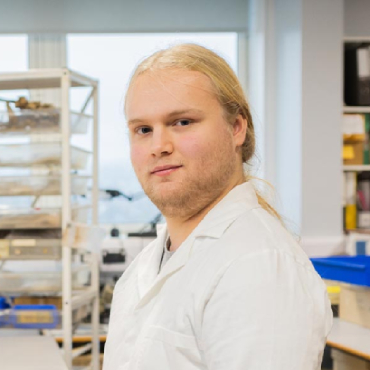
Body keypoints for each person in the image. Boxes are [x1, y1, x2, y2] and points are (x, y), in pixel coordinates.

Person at [103, 43, 333, 370]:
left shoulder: (259, 267)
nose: (158, 146)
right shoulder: (147, 266)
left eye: (182, 122)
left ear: (236, 127)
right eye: (143, 130)